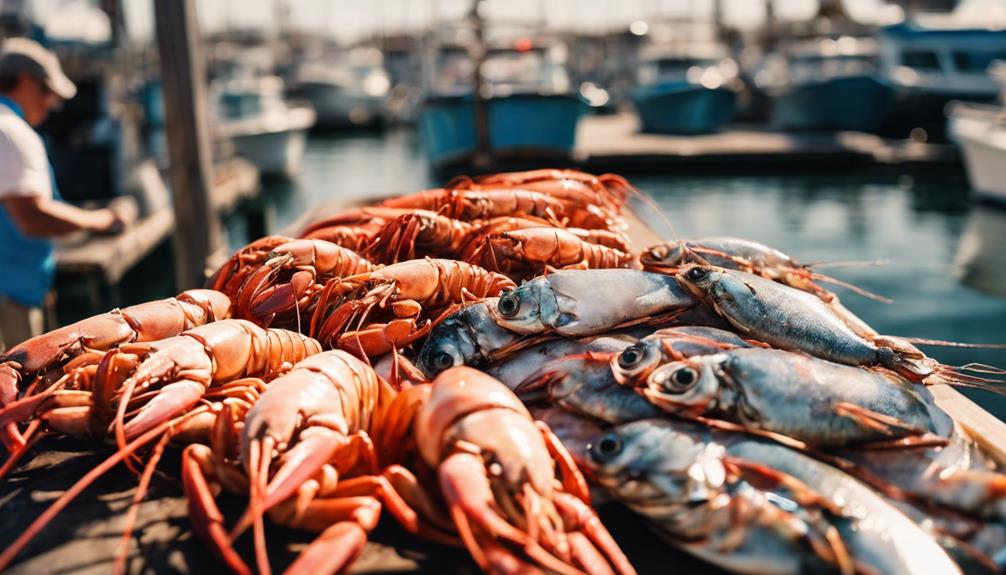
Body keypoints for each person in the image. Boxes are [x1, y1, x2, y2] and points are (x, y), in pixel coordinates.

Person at [0, 38, 129, 351]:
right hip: (11, 296)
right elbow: (31, 217)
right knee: (20, 389)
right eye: (48, 91)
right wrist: (100, 220)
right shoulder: (10, 130)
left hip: (14, 287)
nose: (53, 104)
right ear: (26, 82)